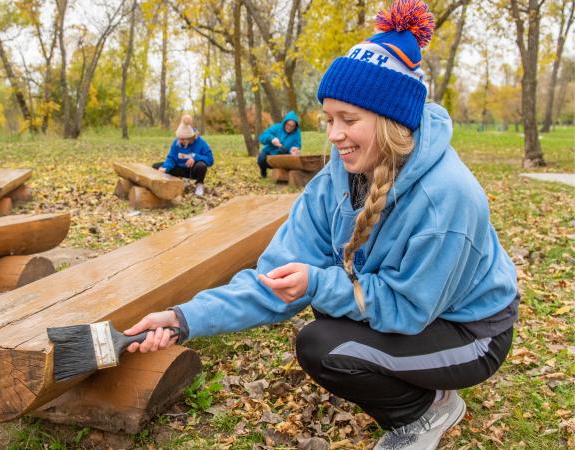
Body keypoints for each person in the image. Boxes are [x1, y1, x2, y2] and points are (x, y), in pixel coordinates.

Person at [123, 2, 518, 449]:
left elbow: (409, 311)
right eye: (329, 119)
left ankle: (428, 410)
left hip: (471, 331)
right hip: (411, 310)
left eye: (349, 120)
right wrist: (182, 318)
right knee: (328, 315)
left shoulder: (448, 197)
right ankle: (418, 384)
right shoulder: (336, 178)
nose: (333, 135)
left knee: (325, 344)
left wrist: (319, 282)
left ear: (393, 121)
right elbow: (273, 279)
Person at [153, 114, 214, 197]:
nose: (180, 141)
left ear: (190, 138)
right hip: (180, 168)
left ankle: (199, 185)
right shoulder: (176, 142)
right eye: (179, 138)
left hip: (192, 171)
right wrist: (165, 168)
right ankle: (172, 182)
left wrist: (195, 157)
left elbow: (210, 159)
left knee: (202, 166)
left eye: (182, 139)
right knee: (156, 166)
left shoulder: (201, 142)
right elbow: (171, 158)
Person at [257, 110, 302, 178]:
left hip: (285, 153)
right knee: (261, 158)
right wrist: (272, 139)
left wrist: (295, 149)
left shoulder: (296, 132)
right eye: (288, 125)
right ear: (284, 123)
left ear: (295, 126)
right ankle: (263, 173)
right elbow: (262, 137)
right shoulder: (276, 127)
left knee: (294, 162)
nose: (289, 127)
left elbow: (297, 144)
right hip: (270, 152)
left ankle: (285, 175)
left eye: (292, 126)